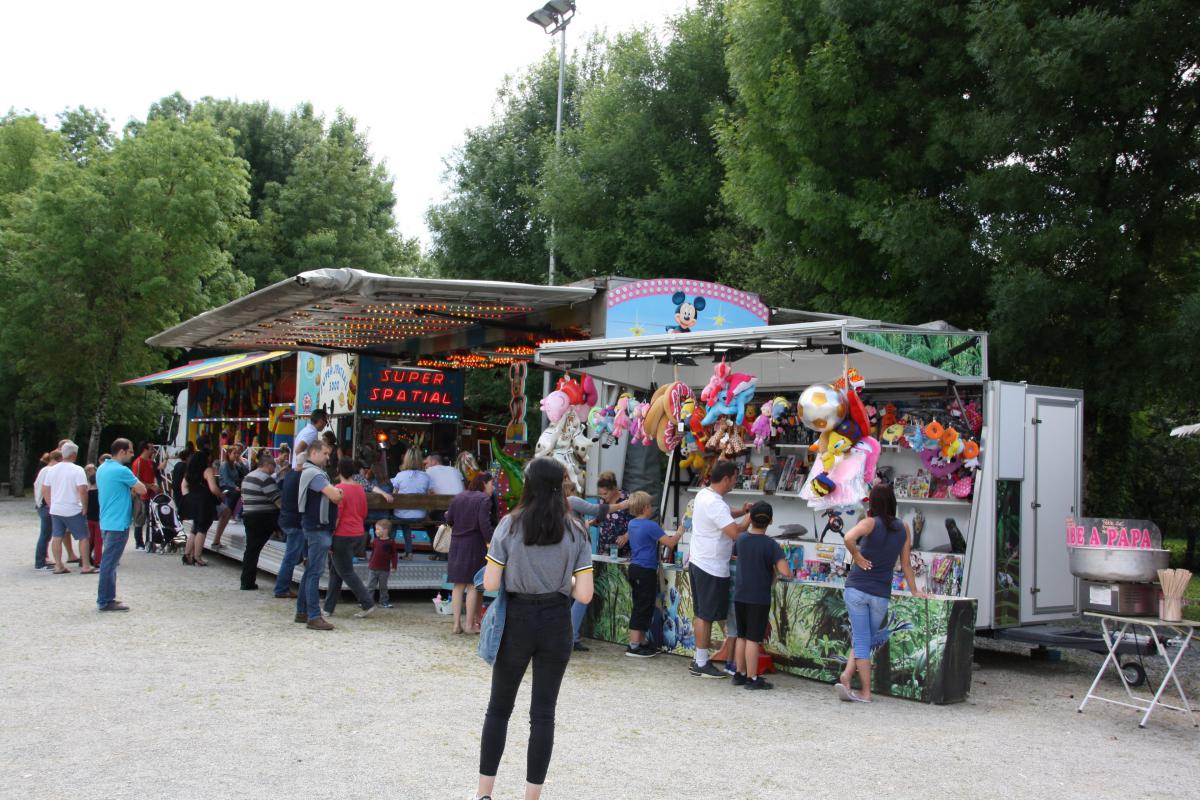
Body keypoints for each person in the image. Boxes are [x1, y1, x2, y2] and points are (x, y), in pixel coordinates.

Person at [475, 458, 594, 800]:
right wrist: (563, 580)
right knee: (543, 714)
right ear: (561, 487)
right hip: (556, 621)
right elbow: (584, 594)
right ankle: (532, 797)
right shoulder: (576, 530)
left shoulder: (510, 525)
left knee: (499, 708)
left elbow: (491, 583)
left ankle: (484, 794)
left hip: (516, 619)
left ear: (527, 485)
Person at [837, 483, 926, 703]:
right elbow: (906, 564)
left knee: (862, 638)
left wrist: (857, 556)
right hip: (880, 593)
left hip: (857, 588)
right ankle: (847, 676)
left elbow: (848, 538)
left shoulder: (869, 523)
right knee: (864, 638)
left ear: (874, 503)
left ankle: (866, 693)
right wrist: (915, 590)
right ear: (893, 502)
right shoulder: (904, 528)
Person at [687, 460, 752, 678]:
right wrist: (750, 518)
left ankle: (699, 658)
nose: (735, 482)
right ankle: (702, 663)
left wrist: (741, 511)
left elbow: (724, 515)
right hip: (711, 566)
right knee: (706, 616)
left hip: (699, 561)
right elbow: (736, 534)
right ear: (725, 479)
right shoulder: (715, 503)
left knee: (701, 614)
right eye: (734, 478)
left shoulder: (704, 495)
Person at [561, 478, 629, 652]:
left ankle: (569, 635)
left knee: (570, 595)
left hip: (567, 559)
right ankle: (571, 636)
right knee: (583, 595)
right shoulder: (571, 501)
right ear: (570, 492)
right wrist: (623, 505)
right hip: (576, 560)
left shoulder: (559, 508)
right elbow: (596, 510)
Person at [731, 502, 792, 690]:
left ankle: (739, 673)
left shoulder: (741, 539)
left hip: (740, 594)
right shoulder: (771, 545)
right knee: (753, 638)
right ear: (771, 521)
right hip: (758, 597)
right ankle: (752, 678)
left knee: (741, 636)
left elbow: (735, 556)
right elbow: (785, 571)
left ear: (750, 518)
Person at [624, 491, 682, 658]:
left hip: (635, 568)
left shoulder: (632, 524)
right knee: (642, 607)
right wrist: (680, 530)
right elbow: (670, 543)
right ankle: (634, 646)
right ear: (645, 508)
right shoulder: (651, 526)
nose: (652, 508)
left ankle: (641, 641)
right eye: (650, 505)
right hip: (645, 570)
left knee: (643, 605)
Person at [294, 440, 343, 631]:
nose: (328, 457)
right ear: (313, 453)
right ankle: (314, 616)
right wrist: (337, 492)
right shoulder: (315, 474)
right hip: (318, 527)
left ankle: (302, 612)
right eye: (325, 453)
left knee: (310, 571)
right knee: (314, 572)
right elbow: (335, 496)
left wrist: (335, 492)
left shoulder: (311, 472)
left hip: (314, 526)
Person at [324, 458, 379, 619]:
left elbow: (337, 515)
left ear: (338, 470)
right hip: (357, 533)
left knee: (346, 571)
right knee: (337, 571)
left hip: (342, 534)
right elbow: (363, 512)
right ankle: (328, 608)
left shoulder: (338, 489)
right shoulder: (360, 489)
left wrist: (330, 535)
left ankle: (367, 602)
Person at [95, 438, 146, 612]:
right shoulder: (122, 470)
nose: (132, 455)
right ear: (122, 451)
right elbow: (142, 489)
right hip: (118, 522)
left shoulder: (102, 468)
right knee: (109, 563)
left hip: (107, 520)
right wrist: (131, 488)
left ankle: (108, 597)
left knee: (110, 562)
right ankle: (105, 600)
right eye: (130, 451)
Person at [445, 471, 495, 634]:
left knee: (458, 585)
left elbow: (449, 519)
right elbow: (484, 525)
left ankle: (455, 624)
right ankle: (469, 625)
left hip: (456, 544)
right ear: (484, 483)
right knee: (473, 584)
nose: (493, 487)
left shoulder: (458, 497)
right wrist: (492, 541)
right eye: (491, 483)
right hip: (474, 544)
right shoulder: (483, 499)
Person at [44, 440, 95, 574]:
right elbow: (82, 490)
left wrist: (50, 504)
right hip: (73, 508)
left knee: (57, 536)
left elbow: (46, 489)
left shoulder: (52, 470)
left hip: (56, 508)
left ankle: (58, 565)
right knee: (83, 537)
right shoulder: (77, 470)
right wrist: (85, 506)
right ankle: (85, 565)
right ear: (73, 454)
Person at [239, 451, 281, 591]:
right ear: (267, 465)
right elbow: (278, 501)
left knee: (251, 549)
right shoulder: (265, 479)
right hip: (263, 518)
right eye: (273, 466)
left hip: (249, 515)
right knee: (254, 549)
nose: (274, 470)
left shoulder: (248, 477)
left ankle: (247, 581)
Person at [181, 445, 220, 566]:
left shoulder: (190, 471)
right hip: (205, 501)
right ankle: (197, 557)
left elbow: (183, 486)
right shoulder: (207, 470)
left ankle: (187, 555)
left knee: (195, 528)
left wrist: (188, 498)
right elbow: (213, 488)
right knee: (202, 529)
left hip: (193, 500)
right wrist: (221, 495)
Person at [272, 454, 304, 599]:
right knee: (291, 557)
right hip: (295, 521)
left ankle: (282, 586)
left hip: (287, 519)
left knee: (293, 555)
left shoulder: (290, 474)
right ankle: (281, 588)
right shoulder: (301, 477)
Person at [391, 448, 431, 560]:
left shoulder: (400, 475)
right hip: (420, 515)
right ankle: (408, 552)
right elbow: (430, 494)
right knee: (405, 521)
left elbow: (394, 495)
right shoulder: (426, 476)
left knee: (396, 520)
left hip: (402, 515)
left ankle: (389, 550)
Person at [33, 450, 63, 571]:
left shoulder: (44, 470)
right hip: (46, 506)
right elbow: (46, 489)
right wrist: (49, 505)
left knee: (46, 534)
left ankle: (42, 559)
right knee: (45, 534)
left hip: (42, 505)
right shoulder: (49, 470)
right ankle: (40, 562)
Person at [212, 444, 247, 548]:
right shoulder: (224, 465)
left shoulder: (235, 464)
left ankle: (233, 513)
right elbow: (226, 479)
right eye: (234, 453)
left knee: (241, 492)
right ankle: (229, 512)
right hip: (225, 486)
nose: (236, 455)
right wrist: (234, 486)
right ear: (229, 454)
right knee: (235, 492)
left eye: (238, 453)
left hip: (234, 486)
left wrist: (241, 462)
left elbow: (246, 473)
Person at [130, 442, 158, 551]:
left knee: (151, 519)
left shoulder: (150, 462)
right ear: (145, 449)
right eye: (151, 448)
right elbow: (136, 480)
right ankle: (139, 543)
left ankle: (149, 542)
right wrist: (150, 486)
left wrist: (153, 485)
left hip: (150, 494)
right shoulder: (138, 462)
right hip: (141, 495)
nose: (153, 450)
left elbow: (153, 476)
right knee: (140, 519)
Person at [367, 520, 398, 608]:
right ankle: (368, 601)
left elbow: (394, 555)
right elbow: (373, 552)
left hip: (384, 569)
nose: (375, 531)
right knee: (370, 586)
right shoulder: (376, 541)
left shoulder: (391, 542)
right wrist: (370, 562)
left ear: (385, 530)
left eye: (377, 529)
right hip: (373, 568)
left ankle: (384, 601)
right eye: (375, 529)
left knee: (383, 587)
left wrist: (394, 566)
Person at [84, 465, 103, 566]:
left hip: (89, 518)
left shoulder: (87, 492)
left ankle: (85, 558)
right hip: (98, 519)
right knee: (98, 541)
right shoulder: (100, 493)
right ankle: (98, 560)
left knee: (89, 540)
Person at [170, 444, 194, 522]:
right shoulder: (186, 467)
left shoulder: (177, 465)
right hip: (182, 490)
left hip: (175, 490)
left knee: (179, 509)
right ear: (187, 457)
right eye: (190, 456)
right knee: (183, 511)